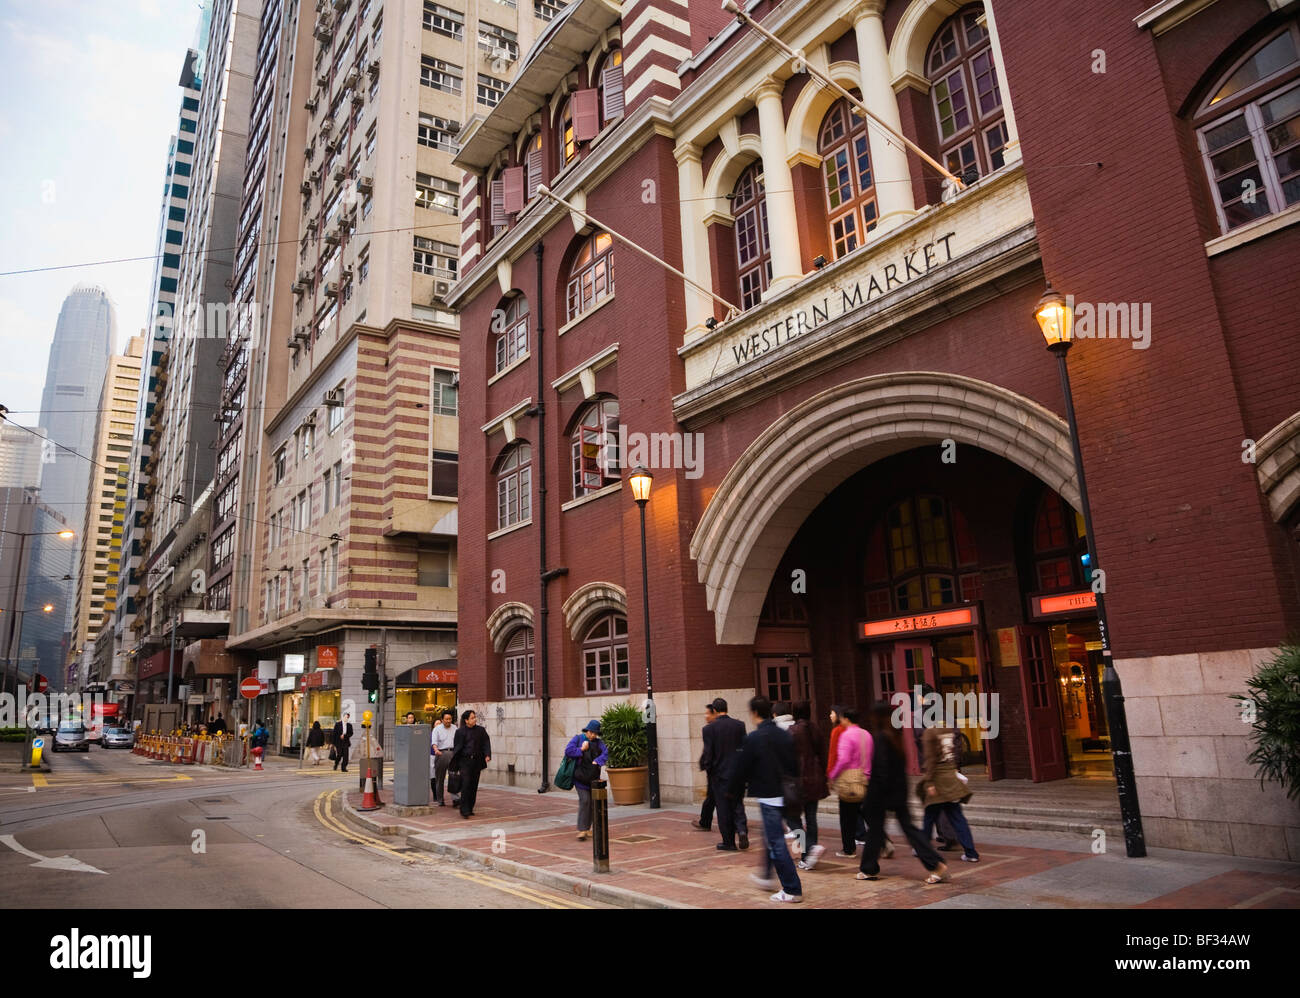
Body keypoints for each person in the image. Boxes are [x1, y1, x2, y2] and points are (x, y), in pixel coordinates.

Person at [859, 703, 948, 884]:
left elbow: (882, 770)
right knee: (908, 830)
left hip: (882, 793)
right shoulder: (895, 736)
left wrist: (874, 795)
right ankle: (936, 864)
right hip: (898, 792)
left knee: (876, 831)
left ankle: (868, 869)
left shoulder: (881, 738)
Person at [727, 696, 802, 903]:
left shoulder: (754, 738)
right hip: (786, 794)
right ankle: (767, 876)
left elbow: (742, 768)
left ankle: (792, 888)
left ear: (754, 713)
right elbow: (794, 764)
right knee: (771, 836)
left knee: (776, 842)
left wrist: (732, 790)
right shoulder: (783, 734)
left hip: (769, 796)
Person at [920, 719, 979, 863]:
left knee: (929, 816)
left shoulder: (930, 732)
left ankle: (922, 849)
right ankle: (971, 853)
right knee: (957, 817)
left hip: (938, 779)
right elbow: (957, 751)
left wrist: (929, 781)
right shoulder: (948, 731)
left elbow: (930, 759)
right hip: (951, 777)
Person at [701, 697, 748, 851]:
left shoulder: (709, 729)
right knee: (738, 804)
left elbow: (708, 754)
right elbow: (744, 749)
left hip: (719, 775)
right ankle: (741, 830)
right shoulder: (739, 725)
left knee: (723, 809)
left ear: (714, 710)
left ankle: (729, 842)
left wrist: (709, 770)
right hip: (738, 773)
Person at [788, 701, 829, 870]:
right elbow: (823, 754)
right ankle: (809, 856)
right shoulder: (816, 729)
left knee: (792, 818)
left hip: (799, 781)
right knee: (811, 818)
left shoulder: (792, 731)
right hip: (816, 778)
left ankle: (809, 848)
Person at [827, 707, 871, 858]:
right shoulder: (866, 734)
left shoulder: (846, 735)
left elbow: (843, 759)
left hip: (849, 780)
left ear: (846, 719)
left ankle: (848, 848)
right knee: (867, 814)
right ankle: (883, 842)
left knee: (847, 817)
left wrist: (833, 775)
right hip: (865, 778)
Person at [564, 720, 608, 840]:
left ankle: (588, 829)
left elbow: (606, 753)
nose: (593, 735)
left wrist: (598, 761)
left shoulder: (599, 743)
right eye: (591, 733)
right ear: (587, 731)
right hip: (580, 777)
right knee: (585, 801)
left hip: (593, 778)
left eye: (595, 733)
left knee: (593, 804)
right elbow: (568, 751)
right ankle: (582, 830)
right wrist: (581, 749)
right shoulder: (578, 739)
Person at [450, 709, 491, 818]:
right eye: (472, 718)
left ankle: (470, 807)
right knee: (466, 785)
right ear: (466, 720)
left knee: (473, 786)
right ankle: (464, 810)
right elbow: (457, 747)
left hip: (477, 761)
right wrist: (456, 763)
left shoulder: (481, 731)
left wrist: (487, 755)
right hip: (465, 761)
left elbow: (486, 743)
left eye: (475, 717)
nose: (474, 719)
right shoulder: (460, 732)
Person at [692, 702, 718, 831]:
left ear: (715, 713)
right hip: (727, 769)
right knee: (713, 797)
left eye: (708, 713)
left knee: (713, 797)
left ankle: (705, 821)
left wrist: (707, 765)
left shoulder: (709, 729)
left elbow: (708, 751)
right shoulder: (736, 725)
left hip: (715, 769)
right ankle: (739, 826)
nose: (705, 716)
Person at [429, 709, 456, 804]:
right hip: (441, 754)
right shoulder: (437, 729)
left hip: (452, 753)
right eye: (446, 719)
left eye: (450, 719)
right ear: (442, 719)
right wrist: (436, 750)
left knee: (454, 777)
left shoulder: (455, 728)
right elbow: (434, 742)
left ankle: (455, 798)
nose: (448, 721)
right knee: (440, 778)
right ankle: (440, 799)